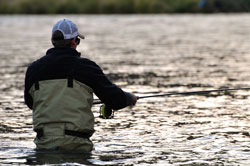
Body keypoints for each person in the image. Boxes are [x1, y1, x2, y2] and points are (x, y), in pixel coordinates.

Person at [24, 19, 137, 152]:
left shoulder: (33, 69)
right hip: (77, 146)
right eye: (78, 40)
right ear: (73, 41)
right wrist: (130, 98)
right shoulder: (86, 67)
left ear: (53, 41)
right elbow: (115, 100)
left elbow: (31, 103)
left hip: (43, 145)